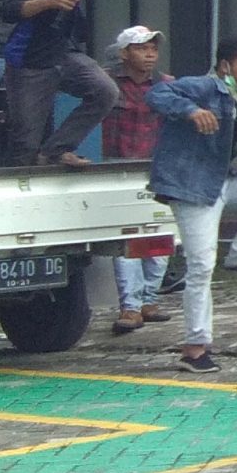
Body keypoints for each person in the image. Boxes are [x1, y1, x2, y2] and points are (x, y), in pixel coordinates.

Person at [147, 38, 237, 373]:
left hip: (225, 179)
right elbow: (156, 94)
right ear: (226, 66)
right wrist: (191, 111)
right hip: (193, 186)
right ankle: (195, 349)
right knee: (200, 266)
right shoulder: (200, 86)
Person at [0, 0, 124, 166]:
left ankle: (56, 150)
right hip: (29, 62)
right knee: (25, 143)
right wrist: (48, 2)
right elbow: (9, 10)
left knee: (105, 91)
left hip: (63, 53)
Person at [100, 25, 172, 333]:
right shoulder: (105, 83)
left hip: (156, 167)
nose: (150, 54)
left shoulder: (167, 85)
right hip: (116, 169)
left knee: (158, 235)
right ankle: (130, 306)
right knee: (127, 239)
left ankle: (149, 300)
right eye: (142, 48)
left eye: (153, 48)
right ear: (124, 53)